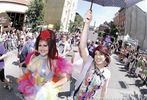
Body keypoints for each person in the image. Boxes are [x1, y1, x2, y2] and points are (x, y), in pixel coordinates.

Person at [17, 29, 72, 100]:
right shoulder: (35, 56)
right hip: (33, 91)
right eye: (40, 45)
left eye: (45, 45)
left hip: (45, 94)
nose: (42, 48)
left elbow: (65, 78)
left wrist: (52, 86)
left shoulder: (54, 61)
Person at [73, 10, 111, 100]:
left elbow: (104, 91)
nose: (97, 56)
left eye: (101, 54)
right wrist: (87, 23)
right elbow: (82, 45)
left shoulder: (107, 74)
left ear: (106, 56)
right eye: (96, 54)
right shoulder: (89, 62)